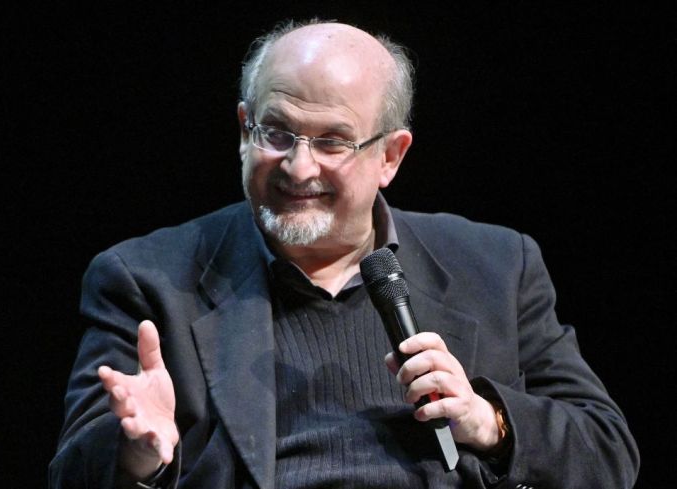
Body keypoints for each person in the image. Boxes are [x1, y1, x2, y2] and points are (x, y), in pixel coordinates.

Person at [49, 18, 639, 489]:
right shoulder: (145, 278)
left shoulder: (497, 266)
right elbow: (72, 472)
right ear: (244, 129)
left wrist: (488, 422)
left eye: (332, 142)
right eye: (276, 133)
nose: (298, 167)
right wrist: (135, 456)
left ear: (391, 156)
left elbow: (608, 453)